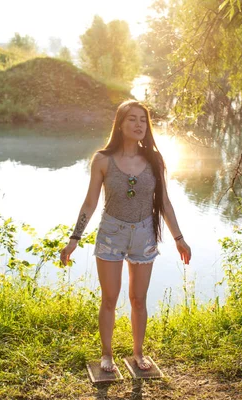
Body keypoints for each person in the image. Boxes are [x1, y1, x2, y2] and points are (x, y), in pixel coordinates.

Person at [59, 100, 191, 372]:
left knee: (138, 300)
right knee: (109, 299)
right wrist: (75, 238)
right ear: (120, 124)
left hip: (144, 235)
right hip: (111, 234)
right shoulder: (102, 160)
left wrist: (179, 238)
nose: (139, 124)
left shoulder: (155, 160)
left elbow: (165, 203)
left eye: (143, 119)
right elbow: (90, 203)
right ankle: (106, 354)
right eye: (132, 119)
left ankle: (138, 354)